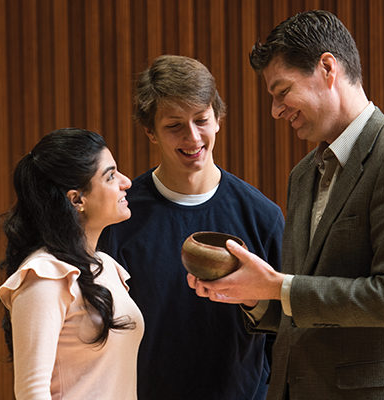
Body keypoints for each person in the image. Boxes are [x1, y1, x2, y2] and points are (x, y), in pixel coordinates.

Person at [188, 10, 384, 400]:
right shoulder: (302, 175)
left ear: (327, 67)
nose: (276, 110)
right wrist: (253, 294)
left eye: (282, 92)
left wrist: (279, 286)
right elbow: (302, 307)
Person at [98, 55, 285, 399]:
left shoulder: (262, 217)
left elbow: (283, 333)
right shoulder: (120, 221)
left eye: (201, 120)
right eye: (174, 126)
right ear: (150, 132)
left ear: (218, 119)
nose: (192, 137)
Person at [0, 128, 144, 399]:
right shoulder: (45, 274)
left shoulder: (107, 266)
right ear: (77, 199)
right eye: (111, 176)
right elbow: (32, 392)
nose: (126, 182)